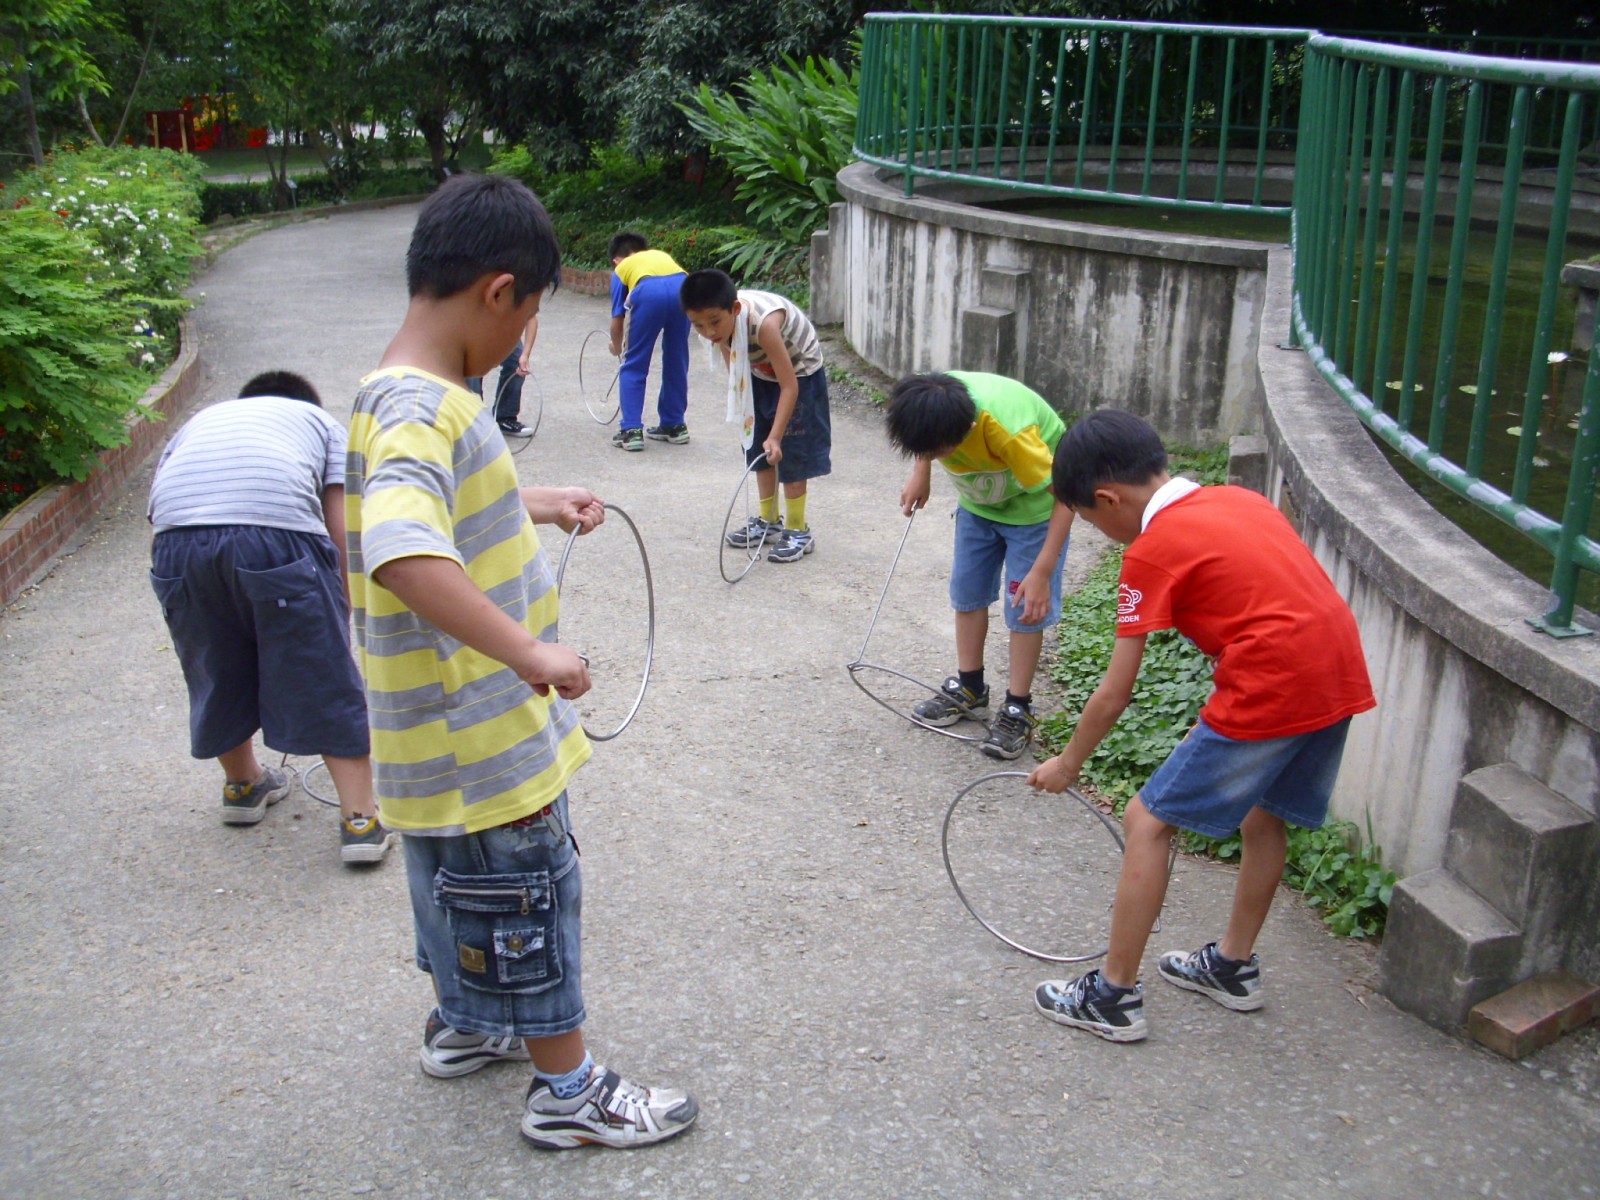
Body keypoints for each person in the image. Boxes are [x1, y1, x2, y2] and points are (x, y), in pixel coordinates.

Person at [345, 174, 697, 1149]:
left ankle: (468, 1023)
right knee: (525, 894)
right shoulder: (427, 409)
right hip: (483, 732)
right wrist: (530, 650)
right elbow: (402, 548)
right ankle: (567, 1091)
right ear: (498, 292)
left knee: (456, 882)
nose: (519, 340)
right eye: (528, 317)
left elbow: (438, 505)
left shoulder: (392, 395)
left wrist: (533, 502)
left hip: (436, 744)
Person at [1027, 409, 1375, 1042]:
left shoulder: (1151, 550)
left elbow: (1115, 692)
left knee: (1147, 820)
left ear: (1109, 498)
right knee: (1263, 815)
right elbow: (1265, 605)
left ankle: (1113, 996)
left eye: (1094, 521)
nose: (1107, 535)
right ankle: (1232, 968)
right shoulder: (1240, 499)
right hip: (1337, 672)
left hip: (1273, 682)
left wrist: (1068, 762)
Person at [146, 370, 392, 866]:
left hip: (176, 547)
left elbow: (159, 511)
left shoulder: (200, 422)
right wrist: (341, 606)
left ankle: (243, 786)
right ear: (309, 402)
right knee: (323, 675)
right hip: (276, 539)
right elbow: (340, 523)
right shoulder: (320, 424)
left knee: (215, 666)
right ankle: (360, 821)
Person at [884, 371, 1074, 760]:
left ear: (968, 429)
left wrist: (1042, 570)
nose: (937, 456)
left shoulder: (1010, 432)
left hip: (1035, 514)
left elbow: (1067, 497)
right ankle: (970, 687)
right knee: (967, 593)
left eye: (940, 451)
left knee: (1025, 609)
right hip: (978, 507)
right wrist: (921, 472)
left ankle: (1019, 707)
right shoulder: (931, 400)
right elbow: (925, 438)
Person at [681, 268, 831, 563]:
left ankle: (798, 529)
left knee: (791, 451)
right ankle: (768, 520)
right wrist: (750, 418)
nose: (709, 332)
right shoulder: (718, 332)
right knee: (757, 447)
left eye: (714, 322)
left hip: (799, 373)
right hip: (758, 371)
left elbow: (789, 386)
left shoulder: (764, 325)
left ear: (734, 309)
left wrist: (776, 435)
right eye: (698, 325)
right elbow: (735, 368)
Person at [607, 232, 690, 451]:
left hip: (648, 293)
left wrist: (616, 346)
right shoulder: (659, 255)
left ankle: (631, 430)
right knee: (677, 359)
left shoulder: (621, 269)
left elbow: (617, 320)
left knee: (634, 363)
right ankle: (675, 425)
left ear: (616, 259)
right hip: (683, 288)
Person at [465, 313, 539, 436]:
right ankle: (474, 419)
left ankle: (505, 417)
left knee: (516, 361)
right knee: (472, 368)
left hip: (503, 328)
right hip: (471, 327)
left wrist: (525, 355)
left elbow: (531, 317)